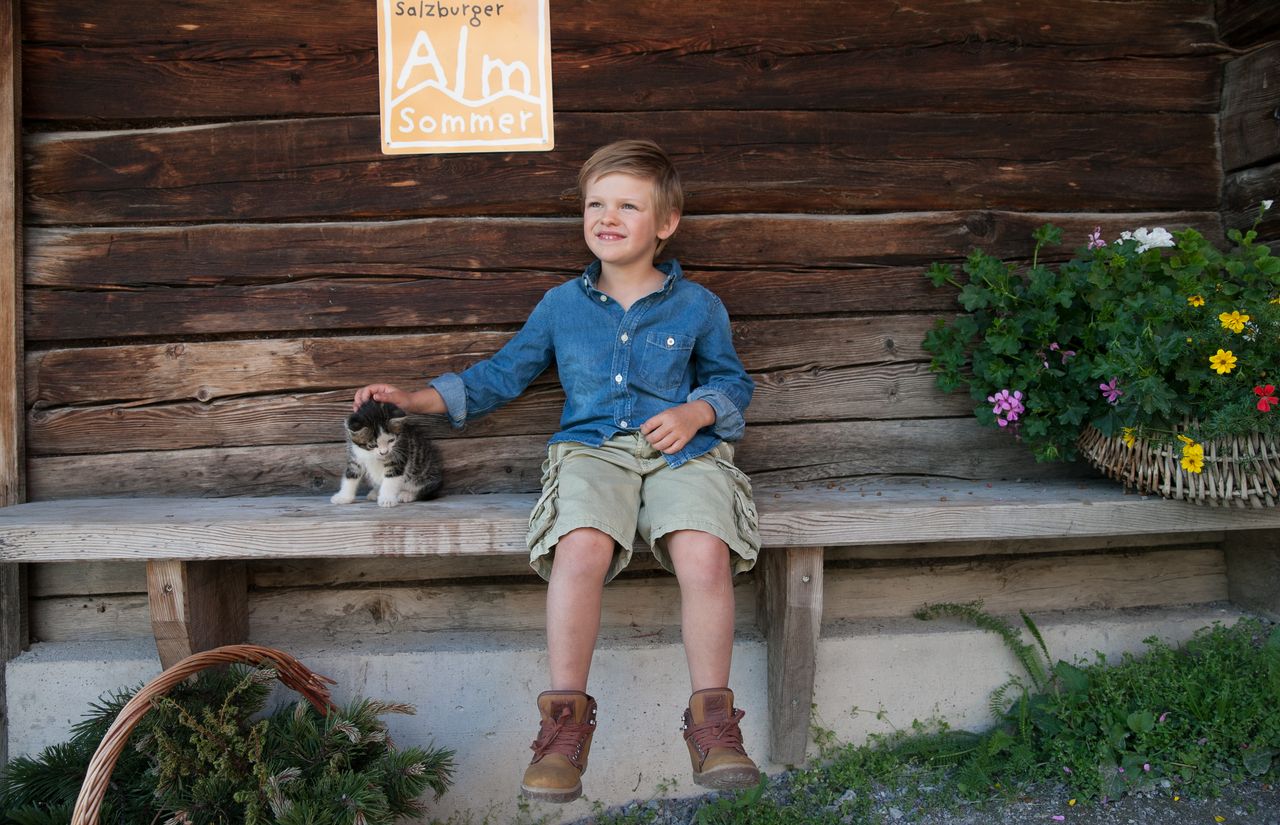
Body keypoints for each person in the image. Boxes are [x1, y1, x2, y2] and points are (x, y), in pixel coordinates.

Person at [352, 139, 761, 803]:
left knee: (704, 551)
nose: (607, 215)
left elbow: (731, 382)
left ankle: (713, 724)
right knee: (581, 548)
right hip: (591, 452)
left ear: (665, 222)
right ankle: (564, 728)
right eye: (596, 203)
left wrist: (695, 412)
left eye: (628, 204)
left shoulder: (698, 307)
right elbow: (499, 375)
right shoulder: (560, 306)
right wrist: (413, 397)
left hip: (680, 453)